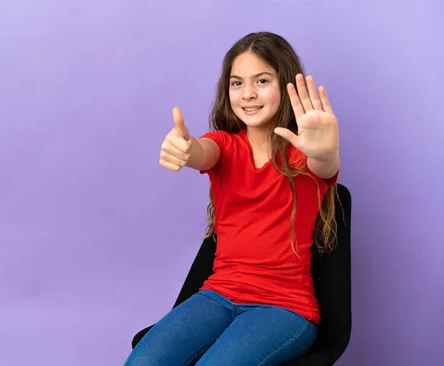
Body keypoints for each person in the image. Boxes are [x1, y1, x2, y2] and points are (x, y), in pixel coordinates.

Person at [125, 31, 341, 366]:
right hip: (218, 296)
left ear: (286, 85)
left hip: (285, 308)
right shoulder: (225, 146)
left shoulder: (304, 156)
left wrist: (326, 151)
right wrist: (185, 148)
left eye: (262, 80)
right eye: (237, 83)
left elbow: (324, 164)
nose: (248, 94)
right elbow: (202, 152)